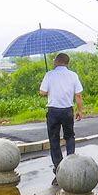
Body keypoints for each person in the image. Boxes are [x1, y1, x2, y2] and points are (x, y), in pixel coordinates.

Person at [39, 53, 83, 185]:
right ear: (67, 63)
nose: (53, 61)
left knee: (54, 140)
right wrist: (80, 110)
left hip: (53, 111)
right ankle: (70, 165)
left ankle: (59, 170)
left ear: (57, 61)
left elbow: (42, 92)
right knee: (69, 136)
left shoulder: (49, 75)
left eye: (54, 59)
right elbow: (78, 96)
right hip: (67, 111)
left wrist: (48, 89)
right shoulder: (73, 75)